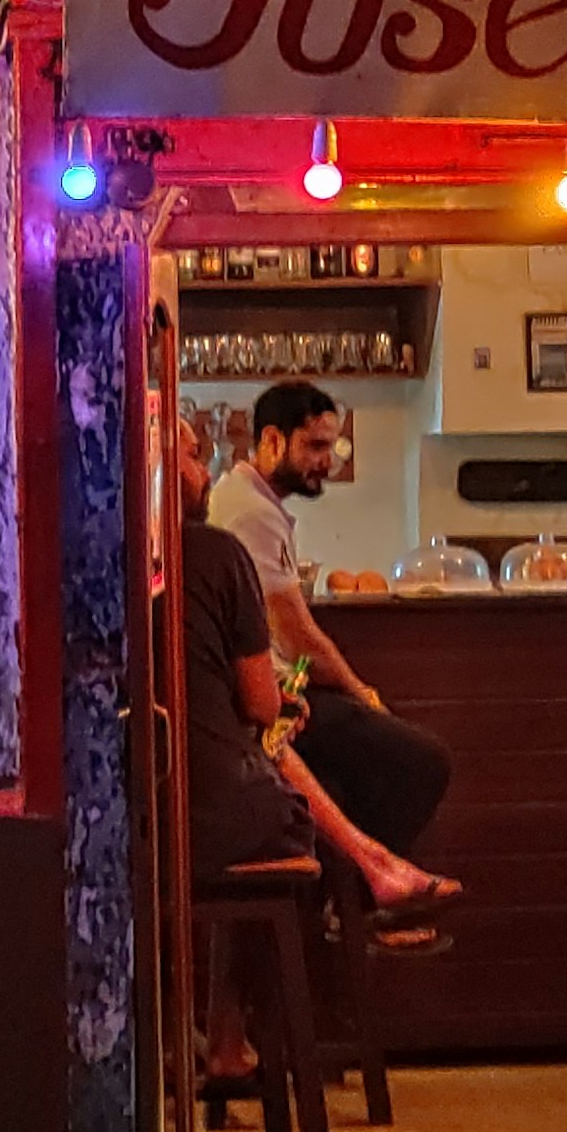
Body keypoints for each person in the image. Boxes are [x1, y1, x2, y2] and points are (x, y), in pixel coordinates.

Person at [176, 415, 439, 1077]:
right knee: (280, 796)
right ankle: (368, 873)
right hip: (209, 817)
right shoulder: (215, 551)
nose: (204, 471)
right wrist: (344, 690)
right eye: (189, 455)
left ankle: (230, 1036)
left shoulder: (123, 559)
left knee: (277, 768)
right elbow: (263, 702)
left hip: (147, 814)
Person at [207, 380, 458, 913]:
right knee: (422, 762)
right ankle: (365, 902)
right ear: (272, 441)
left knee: (360, 777)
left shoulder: (252, 502)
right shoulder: (249, 510)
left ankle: (347, 905)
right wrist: (361, 690)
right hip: (267, 709)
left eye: (332, 447)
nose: (328, 461)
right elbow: (298, 636)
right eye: (316, 447)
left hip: (273, 701)